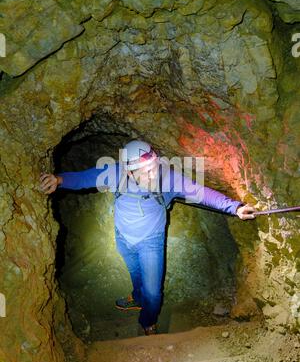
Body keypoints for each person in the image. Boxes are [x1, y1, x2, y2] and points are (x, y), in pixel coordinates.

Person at [40, 140, 257, 336]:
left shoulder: (168, 177)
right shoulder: (116, 173)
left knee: (153, 293)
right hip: (123, 238)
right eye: (144, 172)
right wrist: (59, 180)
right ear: (129, 171)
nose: (152, 175)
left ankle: (148, 320)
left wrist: (234, 207)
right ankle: (136, 297)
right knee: (135, 274)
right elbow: (85, 178)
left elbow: (201, 192)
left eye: (153, 168)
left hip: (151, 242)